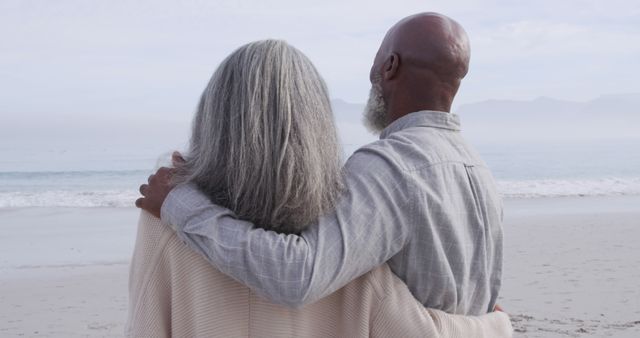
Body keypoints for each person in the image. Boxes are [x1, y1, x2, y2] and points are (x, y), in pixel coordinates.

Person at [127, 39, 513, 337]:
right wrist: (494, 326)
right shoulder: (343, 243)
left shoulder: (166, 221)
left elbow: (145, 326)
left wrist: (179, 205)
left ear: (212, 117)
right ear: (316, 129)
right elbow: (425, 332)